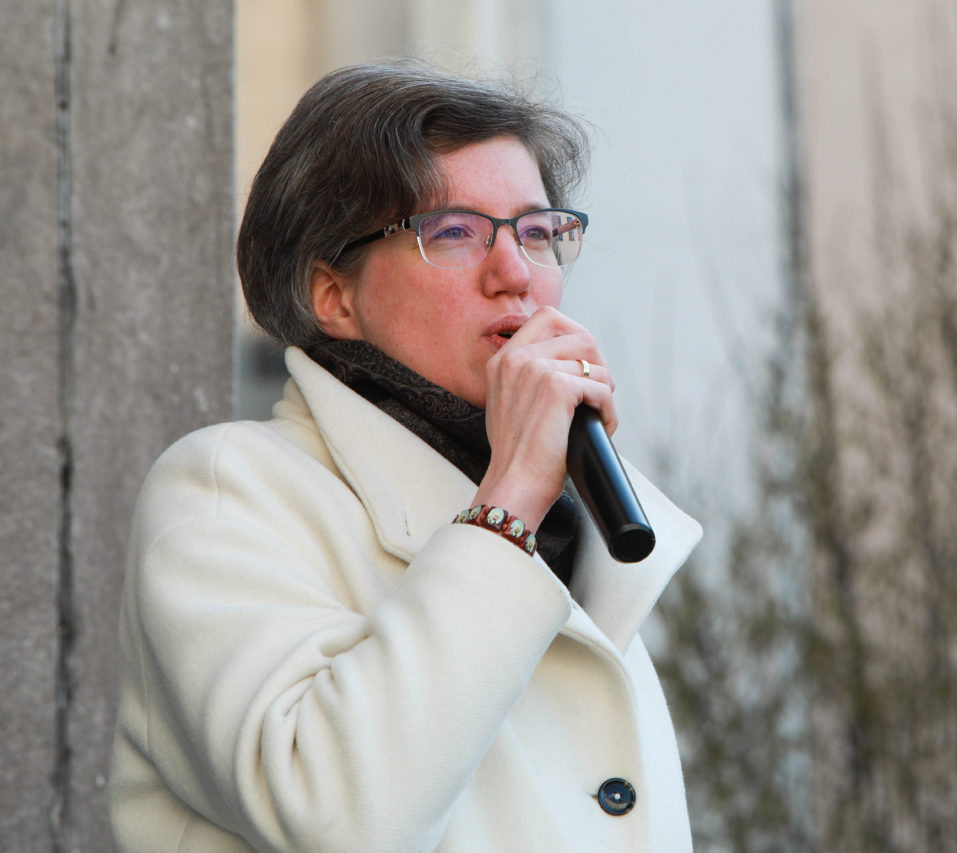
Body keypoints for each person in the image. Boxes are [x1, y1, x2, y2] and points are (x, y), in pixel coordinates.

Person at [108, 61, 702, 852]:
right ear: (333, 295)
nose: (516, 273)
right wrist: (513, 496)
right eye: (453, 232)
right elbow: (342, 814)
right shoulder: (228, 492)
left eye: (536, 231)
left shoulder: (576, 527)